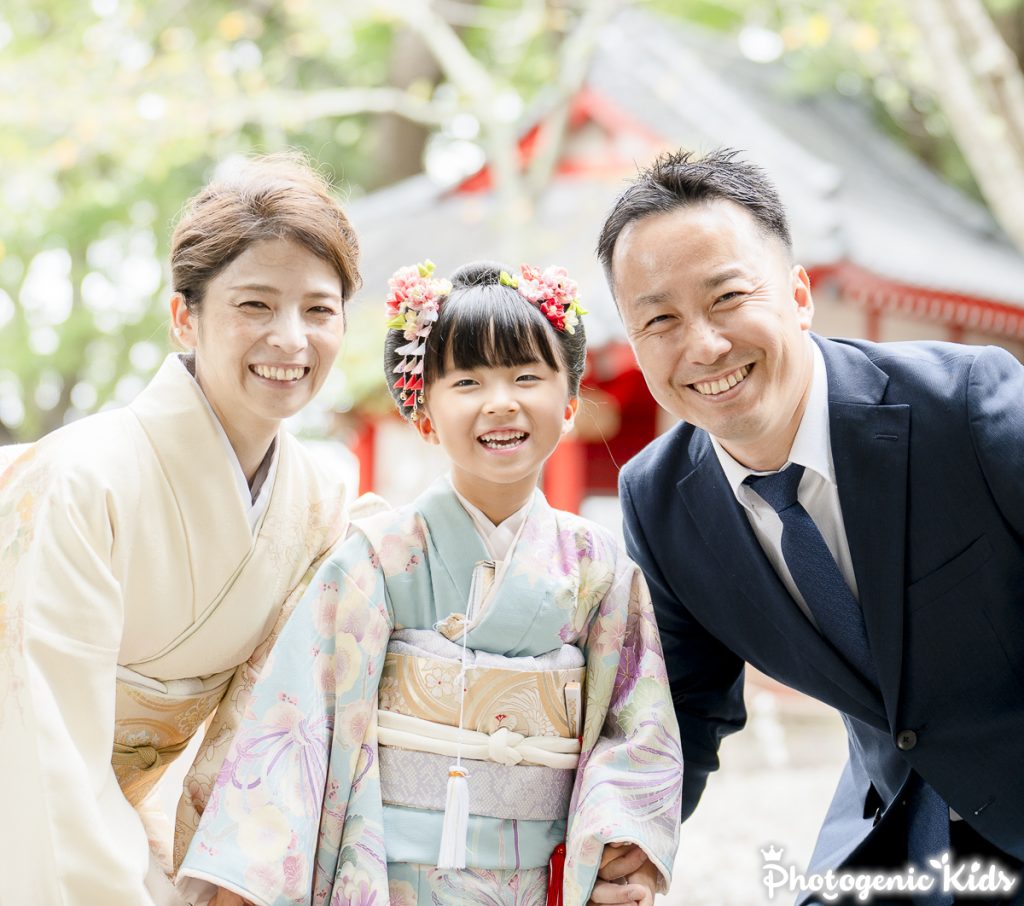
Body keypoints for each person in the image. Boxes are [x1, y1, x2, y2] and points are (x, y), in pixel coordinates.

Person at [176, 260, 683, 906]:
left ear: (570, 405)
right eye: (468, 381)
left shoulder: (600, 569)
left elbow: (637, 732)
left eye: (527, 376)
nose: (501, 401)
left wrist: (614, 849)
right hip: (389, 878)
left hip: (536, 882)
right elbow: (296, 725)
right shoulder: (373, 562)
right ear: (422, 415)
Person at [596, 148, 1024, 905]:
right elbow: (684, 709)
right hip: (889, 848)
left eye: (727, 297)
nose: (703, 346)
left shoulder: (967, 406)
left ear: (798, 294)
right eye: (659, 319)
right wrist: (629, 845)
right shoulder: (657, 499)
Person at [0, 153, 361, 905]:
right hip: (26, 796)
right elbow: (46, 743)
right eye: (256, 305)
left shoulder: (322, 499)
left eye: (318, 309)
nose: (291, 340)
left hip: (130, 811)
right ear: (183, 316)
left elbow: (265, 719)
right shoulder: (83, 478)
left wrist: (225, 874)